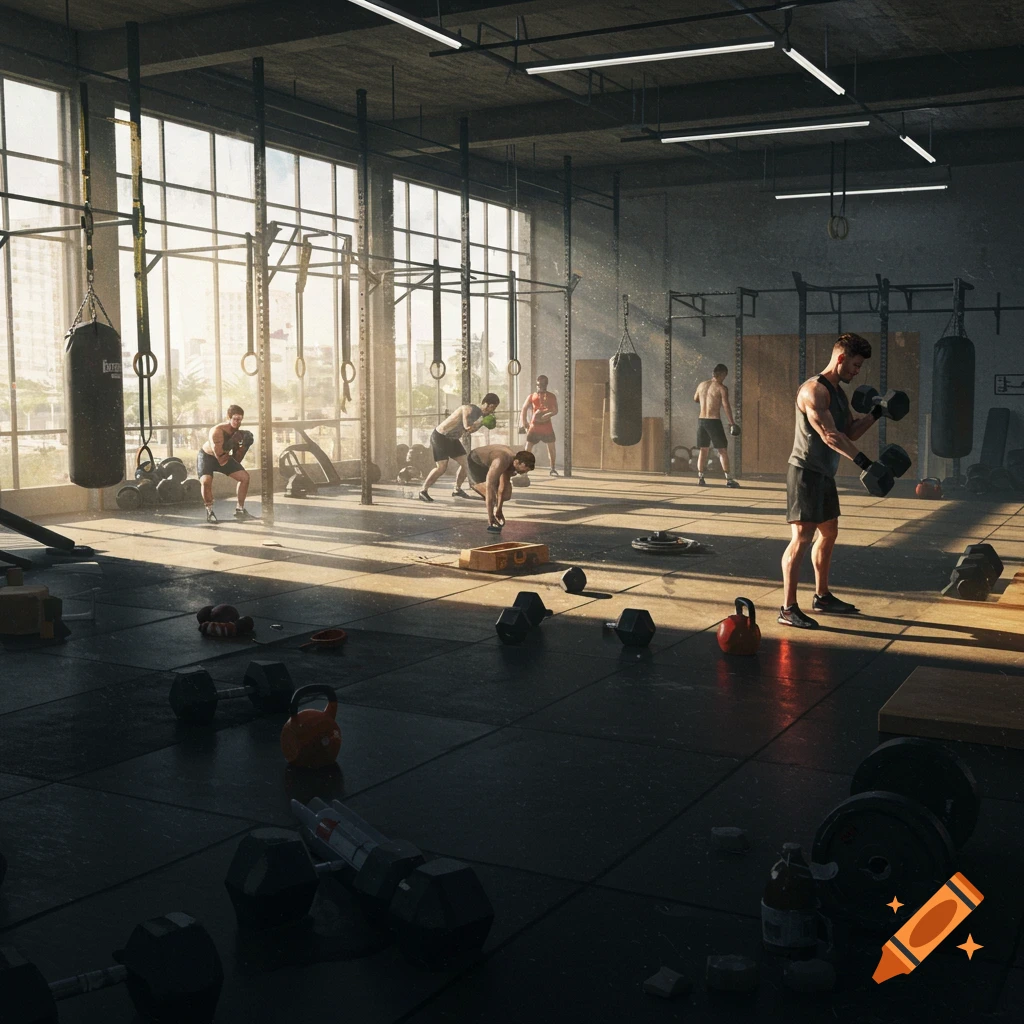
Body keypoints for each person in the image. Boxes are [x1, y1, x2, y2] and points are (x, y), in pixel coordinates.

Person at [780, 333, 879, 629]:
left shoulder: (838, 393)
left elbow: (849, 430)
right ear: (840, 359)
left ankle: (822, 596)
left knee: (829, 532)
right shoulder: (814, 391)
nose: (857, 371)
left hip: (824, 474)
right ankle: (787, 608)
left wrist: (877, 412)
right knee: (801, 538)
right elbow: (830, 435)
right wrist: (864, 463)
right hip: (805, 473)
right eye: (856, 365)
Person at [419, 393, 499, 502]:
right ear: (485, 404)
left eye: (494, 408)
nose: (492, 410)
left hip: (452, 439)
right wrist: (481, 422)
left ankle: (457, 490)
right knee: (441, 467)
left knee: (467, 463)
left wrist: (483, 423)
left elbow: (470, 431)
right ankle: (423, 491)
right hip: (440, 436)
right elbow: (467, 426)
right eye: (491, 407)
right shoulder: (469, 408)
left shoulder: (481, 416)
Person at [198, 404, 254, 524]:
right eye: (235, 419)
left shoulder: (237, 432)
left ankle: (240, 510)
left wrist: (244, 447)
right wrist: (232, 442)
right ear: (228, 418)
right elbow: (221, 459)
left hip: (223, 457)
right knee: (206, 481)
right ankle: (209, 511)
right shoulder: (217, 431)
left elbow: (236, 460)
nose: (237, 422)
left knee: (244, 477)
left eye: (240, 419)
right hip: (208, 457)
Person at [462, 444, 535, 531]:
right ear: (516, 462)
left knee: (506, 494)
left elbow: (503, 488)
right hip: (476, 461)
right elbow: (490, 487)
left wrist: (499, 510)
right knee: (491, 494)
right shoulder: (500, 462)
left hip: (493, 459)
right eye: (525, 469)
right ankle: (475, 485)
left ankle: (495, 511)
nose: (524, 472)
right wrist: (491, 517)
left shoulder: (511, 464)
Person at [693, 364, 740, 488]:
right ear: (723, 374)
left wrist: (706, 399)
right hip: (713, 422)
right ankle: (729, 480)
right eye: (725, 375)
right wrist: (732, 423)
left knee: (703, 450)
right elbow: (726, 406)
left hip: (701, 421)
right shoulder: (721, 388)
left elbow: (695, 399)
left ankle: (700, 478)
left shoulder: (701, 385)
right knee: (722, 451)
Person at [519, 375, 560, 476]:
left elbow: (555, 410)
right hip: (534, 426)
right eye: (538, 385)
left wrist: (547, 414)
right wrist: (525, 423)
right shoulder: (532, 396)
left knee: (551, 448)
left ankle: (552, 468)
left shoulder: (551, 396)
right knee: (528, 448)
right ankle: (523, 469)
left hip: (546, 426)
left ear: (546, 384)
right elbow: (524, 409)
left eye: (542, 384)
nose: (540, 387)